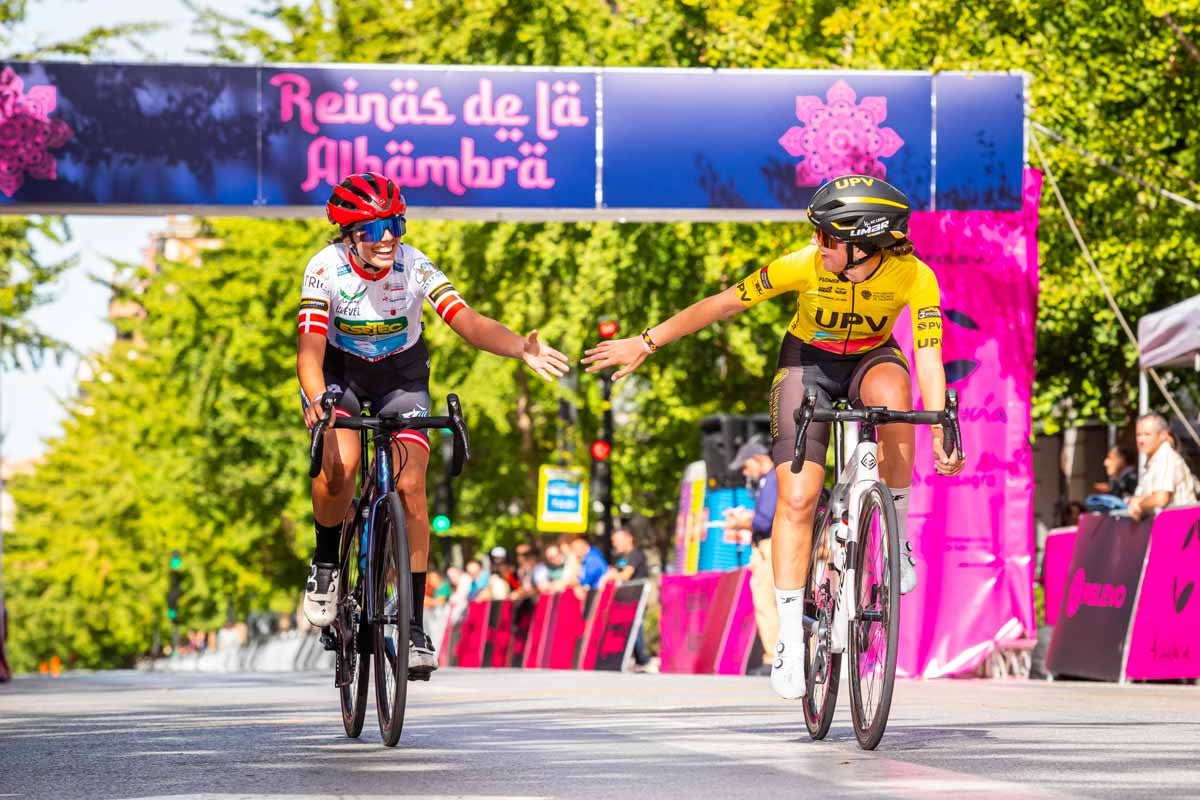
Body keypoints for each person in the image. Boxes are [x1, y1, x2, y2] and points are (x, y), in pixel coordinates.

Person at [583, 174, 964, 700]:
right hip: (807, 364)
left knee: (897, 394)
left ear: (862, 243)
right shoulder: (802, 265)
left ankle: (894, 536)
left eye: (828, 236)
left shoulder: (913, 277)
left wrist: (943, 417)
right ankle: (789, 635)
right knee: (800, 497)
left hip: (872, 358)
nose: (817, 243)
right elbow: (723, 304)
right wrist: (647, 342)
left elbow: (927, 352)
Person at [298, 172, 570, 679]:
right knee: (342, 466)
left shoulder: (414, 265)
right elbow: (309, 353)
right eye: (376, 227)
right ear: (350, 234)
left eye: (395, 223)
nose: (388, 237)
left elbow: (465, 320)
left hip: (402, 375)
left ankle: (416, 627)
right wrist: (317, 399)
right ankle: (326, 564)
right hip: (341, 374)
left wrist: (519, 347)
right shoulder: (324, 270)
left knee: (411, 485)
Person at [724, 435, 780, 670]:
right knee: (770, 601)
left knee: (767, 601)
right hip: (767, 546)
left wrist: (742, 522)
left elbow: (766, 522)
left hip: (768, 546)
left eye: (746, 466)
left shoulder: (772, 480)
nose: (745, 472)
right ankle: (777, 655)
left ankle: (774, 656)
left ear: (757, 458)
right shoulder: (771, 481)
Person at [1128, 413, 1199, 521]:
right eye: (1138, 434)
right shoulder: (1154, 460)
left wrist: (1139, 504)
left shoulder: (1165, 456)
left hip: (1179, 529)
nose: (1141, 440)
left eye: (1147, 434)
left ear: (1162, 435)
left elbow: (1161, 498)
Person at [608, 526, 652, 669]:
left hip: (636, 600)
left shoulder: (634, 555)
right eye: (614, 542)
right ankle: (637, 658)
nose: (615, 545)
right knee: (629, 628)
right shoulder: (621, 558)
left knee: (635, 627)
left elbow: (625, 575)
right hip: (626, 601)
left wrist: (614, 575)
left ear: (629, 539)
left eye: (618, 541)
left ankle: (643, 660)